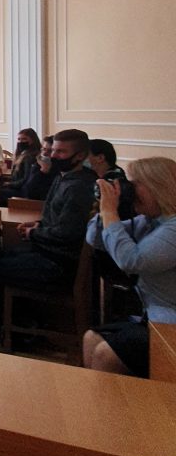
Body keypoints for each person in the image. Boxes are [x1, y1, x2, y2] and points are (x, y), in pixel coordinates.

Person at [0, 130, 98, 342]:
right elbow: (56, 218)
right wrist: (38, 224)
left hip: (57, 263)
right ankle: (14, 322)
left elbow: (67, 233)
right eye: (53, 151)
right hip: (48, 251)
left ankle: (6, 330)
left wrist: (34, 232)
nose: (53, 156)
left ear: (80, 155)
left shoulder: (78, 187)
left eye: (61, 152)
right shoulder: (64, 177)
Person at [83, 158, 176, 377]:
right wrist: (106, 209)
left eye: (134, 185)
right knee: (91, 338)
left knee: (107, 354)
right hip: (154, 318)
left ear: (158, 187)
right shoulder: (151, 221)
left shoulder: (172, 228)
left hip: (169, 324)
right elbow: (95, 238)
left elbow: (132, 260)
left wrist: (110, 214)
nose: (129, 190)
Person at [0, 128, 41, 201]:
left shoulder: (30, 157)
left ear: (33, 140)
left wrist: (9, 184)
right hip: (18, 187)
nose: (20, 142)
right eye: (19, 139)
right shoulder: (22, 154)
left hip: (22, 190)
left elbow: (26, 179)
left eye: (24, 139)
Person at [21, 135, 57, 201]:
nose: (45, 153)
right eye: (44, 149)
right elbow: (27, 190)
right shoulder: (38, 163)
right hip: (33, 201)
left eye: (50, 151)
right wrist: (42, 171)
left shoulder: (60, 168)